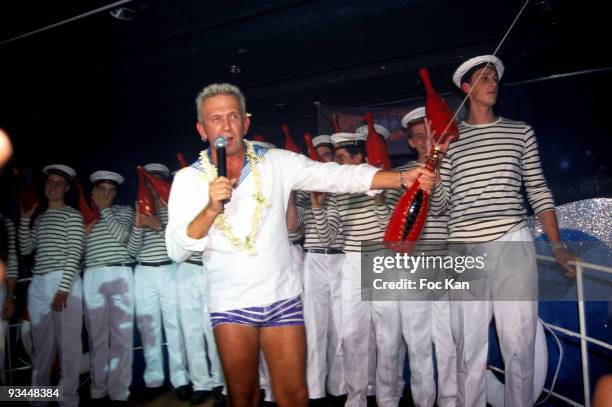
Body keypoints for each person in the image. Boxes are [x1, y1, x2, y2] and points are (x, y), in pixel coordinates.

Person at [165, 83, 435, 407]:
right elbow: (177, 249)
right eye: (216, 118)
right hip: (230, 302)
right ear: (202, 129)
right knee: (243, 397)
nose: (226, 126)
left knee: (294, 396)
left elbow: (334, 175)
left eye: (233, 116)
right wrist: (210, 208)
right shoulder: (187, 180)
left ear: (246, 123)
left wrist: (400, 179)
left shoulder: (275, 162)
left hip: (282, 296)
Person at [429, 55, 578, 406]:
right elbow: (439, 206)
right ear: (467, 89)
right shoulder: (449, 139)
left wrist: (556, 245)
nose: (493, 83)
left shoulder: (519, 131)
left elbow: (538, 189)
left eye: (494, 77)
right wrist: (434, 161)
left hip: (513, 239)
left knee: (519, 340)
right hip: (464, 246)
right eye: (483, 78)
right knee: (469, 344)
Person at [387, 107, 457, 406]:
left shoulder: (451, 172)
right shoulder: (397, 176)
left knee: (448, 342)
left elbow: (445, 209)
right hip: (409, 269)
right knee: (416, 343)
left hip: (443, 265)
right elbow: (394, 225)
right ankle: (423, 402)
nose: (427, 143)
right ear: (412, 143)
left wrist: (435, 171)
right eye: (420, 138)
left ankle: (451, 401)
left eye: (432, 137)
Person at [18, 164, 85, 407]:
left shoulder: (72, 215)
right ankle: (39, 400)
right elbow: (26, 249)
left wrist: (64, 288)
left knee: (68, 346)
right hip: (38, 282)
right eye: (50, 182)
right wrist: (25, 218)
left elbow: (74, 252)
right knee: (41, 346)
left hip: (63, 280)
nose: (53, 187)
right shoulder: (41, 217)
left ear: (66, 188)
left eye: (59, 183)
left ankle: (68, 400)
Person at [128, 163, 190, 401]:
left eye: (156, 181)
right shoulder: (139, 207)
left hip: (169, 270)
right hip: (143, 271)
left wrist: (160, 226)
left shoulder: (174, 207)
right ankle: (153, 381)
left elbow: (182, 242)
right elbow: (131, 251)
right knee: (148, 329)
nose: (152, 186)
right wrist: (138, 225)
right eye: (148, 181)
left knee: (175, 327)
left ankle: (181, 379)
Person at [299, 135, 347, 403]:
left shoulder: (345, 192)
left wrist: (322, 201)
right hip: (313, 260)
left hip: (340, 259)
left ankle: (339, 389)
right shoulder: (305, 197)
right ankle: (315, 392)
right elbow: (299, 229)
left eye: (327, 155)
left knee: (340, 328)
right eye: (317, 156)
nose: (323, 160)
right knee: (314, 328)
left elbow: (331, 235)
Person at [82, 170, 134, 404]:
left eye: (111, 190)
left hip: (120, 271)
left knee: (123, 336)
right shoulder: (82, 216)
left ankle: (119, 393)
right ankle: (98, 391)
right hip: (92, 274)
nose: (107, 194)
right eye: (102, 189)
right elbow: (75, 254)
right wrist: (84, 234)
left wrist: (104, 210)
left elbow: (123, 237)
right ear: (93, 191)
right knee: (97, 337)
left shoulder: (124, 211)